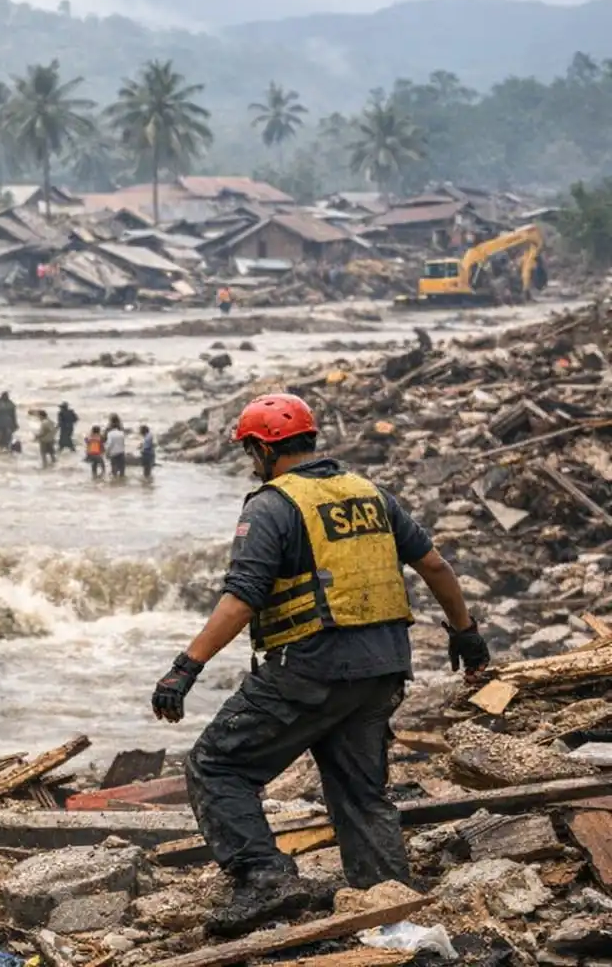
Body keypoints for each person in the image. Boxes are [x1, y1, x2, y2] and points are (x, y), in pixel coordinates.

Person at [150, 393, 489, 939]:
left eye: (249, 451)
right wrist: (467, 635)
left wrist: (184, 668)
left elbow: (241, 597)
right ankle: (391, 912)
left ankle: (263, 877)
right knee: (360, 792)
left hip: (309, 668)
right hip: (383, 672)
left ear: (263, 448)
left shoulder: (271, 505)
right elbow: (435, 563)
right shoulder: (369, 493)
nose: (250, 461)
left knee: (218, 766)